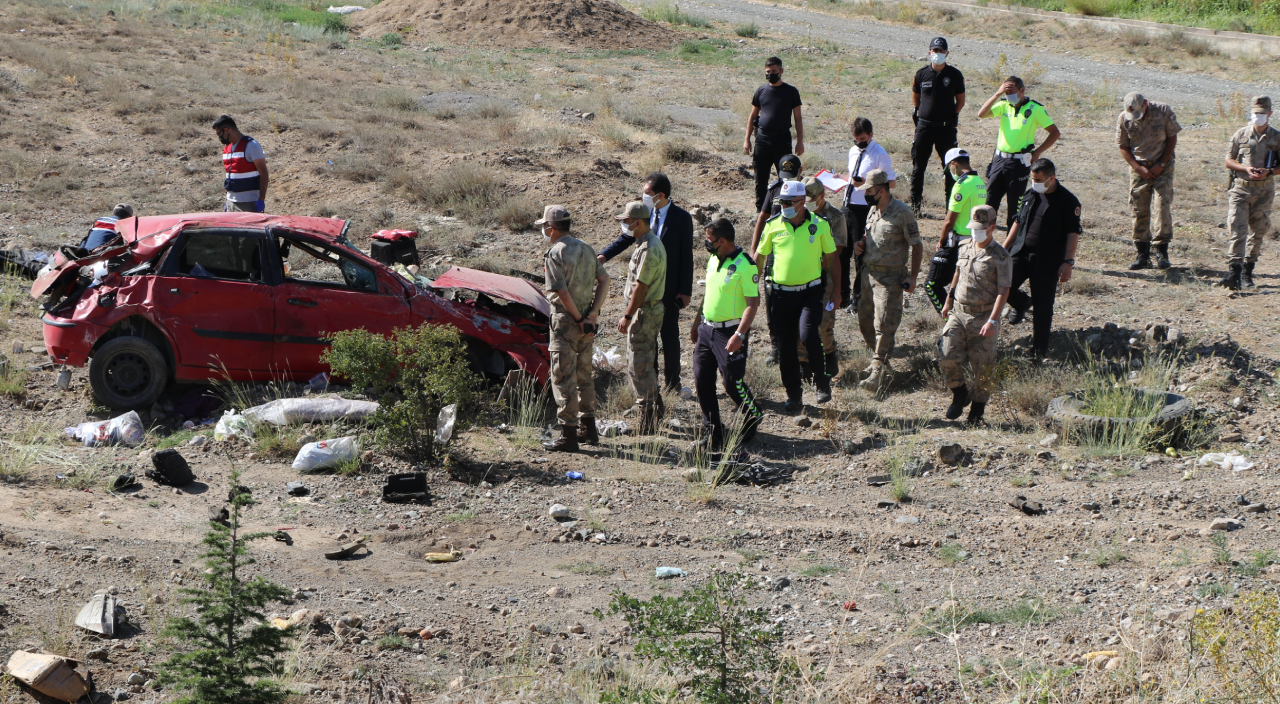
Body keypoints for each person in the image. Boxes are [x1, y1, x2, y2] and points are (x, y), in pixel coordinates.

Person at [598, 173, 694, 391]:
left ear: (660, 195)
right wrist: (604, 256)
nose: (644, 196)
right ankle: (653, 384)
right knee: (647, 339)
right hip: (646, 289)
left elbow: (686, 256)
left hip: (668, 289)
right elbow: (626, 237)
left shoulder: (681, 218)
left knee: (669, 337)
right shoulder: (644, 213)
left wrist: (685, 291)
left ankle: (673, 383)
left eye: (648, 193)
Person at [753, 180, 839, 412]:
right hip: (780, 295)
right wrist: (749, 288)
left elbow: (832, 259)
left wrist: (838, 291)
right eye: (782, 202)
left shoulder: (819, 225)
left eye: (789, 203)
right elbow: (759, 259)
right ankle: (794, 395)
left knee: (808, 333)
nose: (784, 206)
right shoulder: (773, 225)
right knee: (786, 346)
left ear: (802, 202)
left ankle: (822, 382)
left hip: (810, 291)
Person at [689, 218, 765, 459]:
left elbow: (753, 304)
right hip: (706, 330)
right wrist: (697, 322)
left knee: (731, 381)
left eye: (709, 240)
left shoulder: (745, 265)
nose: (706, 244)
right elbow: (708, 294)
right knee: (702, 381)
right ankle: (713, 430)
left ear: (722, 241)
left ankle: (753, 413)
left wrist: (740, 334)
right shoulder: (713, 260)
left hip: (730, 332)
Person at [538, 206, 610, 453]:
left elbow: (561, 292)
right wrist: (592, 313)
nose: (544, 231)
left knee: (562, 377)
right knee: (584, 374)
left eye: (544, 227)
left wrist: (579, 317)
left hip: (566, 322)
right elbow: (604, 279)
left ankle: (568, 434)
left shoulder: (555, 252)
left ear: (551, 228)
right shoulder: (586, 248)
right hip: (586, 323)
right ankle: (588, 428)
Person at [938, 205, 1010, 426]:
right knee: (946, 354)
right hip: (959, 312)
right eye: (974, 227)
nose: (976, 232)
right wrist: (948, 299)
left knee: (983, 368)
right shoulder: (964, 246)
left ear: (992, 227)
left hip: (983, 316)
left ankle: (977, 412)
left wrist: (993, 320)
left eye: (981, 228)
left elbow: (1003, 290)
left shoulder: (1000, 256)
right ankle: (960, 393)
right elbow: (957, 274)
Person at [1001, 158, 1081, 357]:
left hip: (1047, 261)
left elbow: (1072, 233)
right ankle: (1021, 304)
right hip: (1021, 254)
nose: (1033, 182)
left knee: (1043, 308)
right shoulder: (1030, 194)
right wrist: (1004, 248)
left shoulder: (1068, 201)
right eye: (1032, 178)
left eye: (1037, 179)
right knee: (1001, 286)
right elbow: (1018, 222)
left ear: (1051, 178)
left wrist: (1068, 262)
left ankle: (1039, 352)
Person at [853, 169, 922, 392]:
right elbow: (868, 234)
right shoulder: (873, 210)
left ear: (882, 191)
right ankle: (882, 362)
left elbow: (917, 245)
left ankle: (876, 371)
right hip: (868, 274)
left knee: (883, 324)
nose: (866, 194)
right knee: (865, 322)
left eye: (870, 191)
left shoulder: (902, 213)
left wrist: (912, 277)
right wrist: (860, 243)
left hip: (890, 278)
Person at [977, 76, 1060, 229]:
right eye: (1006, 93)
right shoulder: (1003, 105)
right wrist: (997, 94)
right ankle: (983, 241)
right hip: (999, 160)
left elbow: (1055, 133)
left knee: (1014, 206)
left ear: (1022, 90)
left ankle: (1011, 247)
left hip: (1019, 163)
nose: (1009, 96)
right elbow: (981, 114)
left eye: (1012, 92)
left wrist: (1038, 152)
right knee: (989, 203)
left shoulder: (1035, 109)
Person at [615, 201, 668, 434]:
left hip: (644, 311)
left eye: (626, 221)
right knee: (642, 362)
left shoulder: (649, 248)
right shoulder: (646, 244)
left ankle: (647, 421)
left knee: (639, 365)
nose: (624, 225)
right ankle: (656, 409)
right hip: (645, 310)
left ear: (637, 222)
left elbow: (641, 286)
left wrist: (627, 315)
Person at [1220, 95, 1280, 290]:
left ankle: (1248, 271)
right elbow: (1229, 160)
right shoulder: (1240, 134)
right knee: (1237, 229)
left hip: (1264, 191)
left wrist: (1269, 171)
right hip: (1241, 188)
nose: (1258, 117)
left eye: (1262, 113)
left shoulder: (1277, 137)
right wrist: (1245, 169)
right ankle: (1233, 273)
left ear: (1270, 113)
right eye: (1255, 113)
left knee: (1259, 230)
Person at [1117, 92, 1181, 271]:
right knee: (1139, 209)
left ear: (1145, 104)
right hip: (1139, 167)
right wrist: (1138, 168)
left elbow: (1172, 137)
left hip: (1163, 166)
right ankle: (1142, 254)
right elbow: (1123, 145)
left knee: (1162, 207)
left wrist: (1161, 164)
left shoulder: (1162, 111)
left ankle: (1162, 252)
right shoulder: (1124, 118)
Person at [749, 153, 803, 364]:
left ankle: (798, 346)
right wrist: (755, 250)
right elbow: (762, 219)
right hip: (773, 253)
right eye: (784, 175)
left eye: (791, 175)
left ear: (800, 171)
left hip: (798, 255)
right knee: (772, 301)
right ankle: (775, 347)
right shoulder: (775, 190)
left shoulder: (805, 190)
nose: (787, 180)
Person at [924, 148, 987, 316]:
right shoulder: (979, 181)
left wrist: (941, 240)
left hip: (958, 243)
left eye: (949, 168)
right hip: (976, 241)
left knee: (931, 284)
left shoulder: (961, 184)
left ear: (954, 164)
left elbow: (949, 220)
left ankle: (950, 322)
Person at [843, 118, 896, 314]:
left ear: (871, 135)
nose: (859, 142)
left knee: (860, 256)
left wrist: (866, 183)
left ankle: (859, 300)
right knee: (843, 252)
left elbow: (891, 183)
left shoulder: (879, 154)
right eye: (856, 139)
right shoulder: (853, 150)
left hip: (864, 208)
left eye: (863, 139)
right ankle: (843, 295)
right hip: (847, 205)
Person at [797, 176, 846, 382]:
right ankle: (804, 363)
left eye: (811, 199)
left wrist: (814, 265)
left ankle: (829, 355)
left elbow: (838, 249)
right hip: (798, 278)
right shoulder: (799, 214)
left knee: (823, 322)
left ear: (822, 196)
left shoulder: (834, 217)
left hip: (824, 277)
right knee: (800, 323)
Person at [910, 37, 966, 215]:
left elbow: (961, 100)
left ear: (947, 53)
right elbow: (916, 97)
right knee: (918, 168)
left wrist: (951, 116)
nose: (938, 54)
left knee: (951, 168)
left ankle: (950, 208)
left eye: (941, 51)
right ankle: (915, 207)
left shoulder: (955, 75)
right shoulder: (921, 74)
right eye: (935, 51)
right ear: (929, 53)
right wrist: (919, 112)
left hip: (945, 129)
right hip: (924, 128)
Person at [744, 57, 804, 214]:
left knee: (786, 177)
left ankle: (784, 209)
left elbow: (797, 118)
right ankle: (761, 211)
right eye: (768, 72)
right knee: (760, 178)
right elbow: (752, 116)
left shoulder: (791, 92)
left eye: (774, 71)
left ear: (781, 71)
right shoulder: (761, 91)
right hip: (762, 139)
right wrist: (747, 139)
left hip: (782, 139)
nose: (771, 74)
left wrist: (800, 142)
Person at [212, 114, 269, 213]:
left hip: (248, 203)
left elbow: (264, 173)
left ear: (227, 130)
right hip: (231, 203)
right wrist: (228, 201)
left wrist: (261, 199)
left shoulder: (251, 145)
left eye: (219, 134)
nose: (219, 137)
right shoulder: (227, 149)